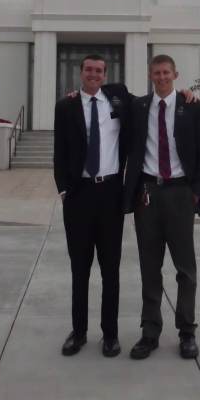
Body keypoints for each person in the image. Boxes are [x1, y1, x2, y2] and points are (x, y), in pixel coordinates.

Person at [124, 54, 200, 360]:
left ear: (176, 74)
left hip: (179, 194)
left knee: (185, 269)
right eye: (156, 73)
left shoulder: (192, 107)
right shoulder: (139, 107)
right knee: (150, 268)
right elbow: (109, 92)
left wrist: (197, 194)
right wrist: (75, 93)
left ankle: (187, 331)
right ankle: (150, 332)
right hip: (147, 195)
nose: (161, 77)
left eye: (166, 72)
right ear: (150, 76)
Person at [54, 54, 131, 358]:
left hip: (110, 193)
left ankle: (110, 335)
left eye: (99, 70)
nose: (93, 74)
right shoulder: (66, 106)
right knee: (80, 269)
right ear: (80, 72)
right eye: (88, 70)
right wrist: (63, 190)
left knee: (110, 270)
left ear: (105, 74)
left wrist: (187, 93)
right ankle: (79, 331)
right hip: (79, 196)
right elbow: (59, 151)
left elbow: (151, 99)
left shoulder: (118, 100)